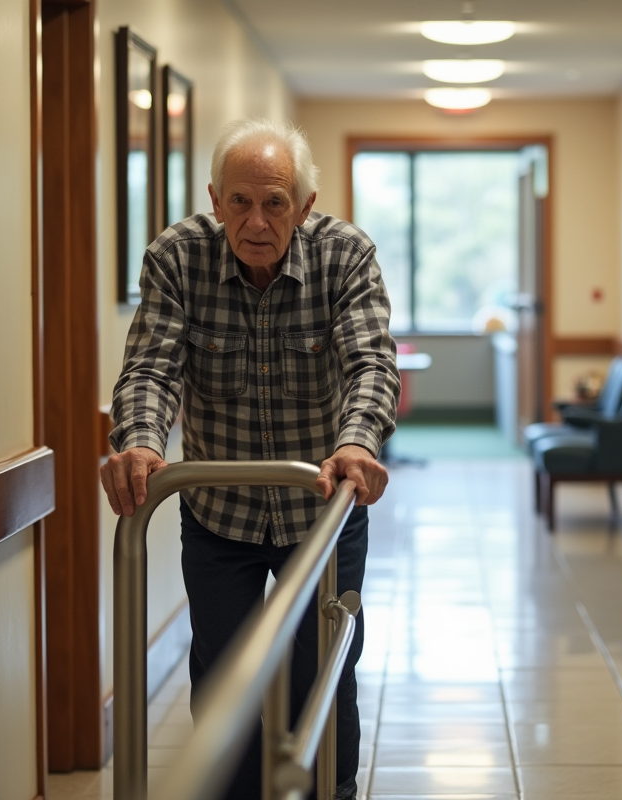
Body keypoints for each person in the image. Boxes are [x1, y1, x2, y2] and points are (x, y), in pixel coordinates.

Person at [100, 118, 399, 800]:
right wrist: (141, 441)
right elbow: (150, 368)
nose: (256, 221)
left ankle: (331, 791)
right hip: (219, 513)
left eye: (275, 203)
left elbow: (371, 363)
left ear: (304, 207)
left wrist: (357, 440)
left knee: (321, 673)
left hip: (319, 508)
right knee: (225, 679)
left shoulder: (344, 254)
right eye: (239, 201)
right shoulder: (177, 257)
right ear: (214, 198)